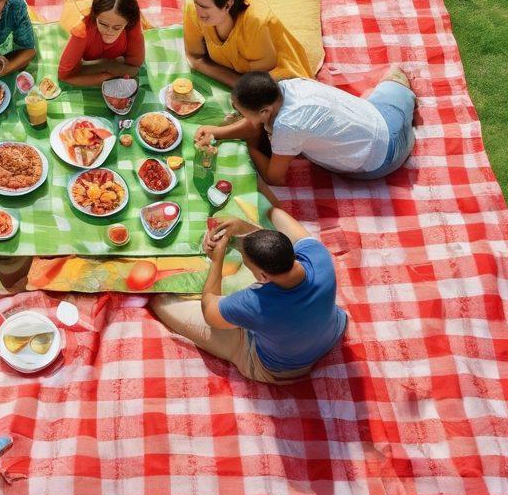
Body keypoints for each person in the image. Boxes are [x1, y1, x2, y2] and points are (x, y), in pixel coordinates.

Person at [149, 198, 347, 384]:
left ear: (262, 277)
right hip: (330, 334)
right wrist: (246, 229)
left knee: (161, 301)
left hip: (280, 369)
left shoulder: (255, 302)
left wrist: (217, 261)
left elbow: (209, 310)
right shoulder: (318, 254)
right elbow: (277, 213)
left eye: (249, 265)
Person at [198, 67, 417, 184]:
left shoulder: (287, 127)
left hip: (381, 161)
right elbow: (255, 121)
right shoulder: (286, 85)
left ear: (265, 111)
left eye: (240, 112)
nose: (237, 115)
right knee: (394, 84)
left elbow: (275, 178)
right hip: (380, 116)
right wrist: (219, 132)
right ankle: (400, 97)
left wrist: (251, 145)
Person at [183, 0, 312, 89]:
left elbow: (266, 70)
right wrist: (236, 82)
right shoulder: (192, 9)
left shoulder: (256, 22)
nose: (198, 11)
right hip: (243, 79)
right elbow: (195, 58)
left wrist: (241, 87)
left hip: (276, 73)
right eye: (196, 4)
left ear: (227, 5)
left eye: (204, 7)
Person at [57, 0, 145, 87]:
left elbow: (135, 66)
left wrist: (107, 67)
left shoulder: (132, 24)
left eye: (117, 27)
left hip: (97, 65)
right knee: (106, 78)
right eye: (103, 24)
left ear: (127, 24)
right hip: (96, 64)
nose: (109, 31)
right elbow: (64, 75)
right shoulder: (82, 30)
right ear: (95, 17)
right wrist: (106, 68)